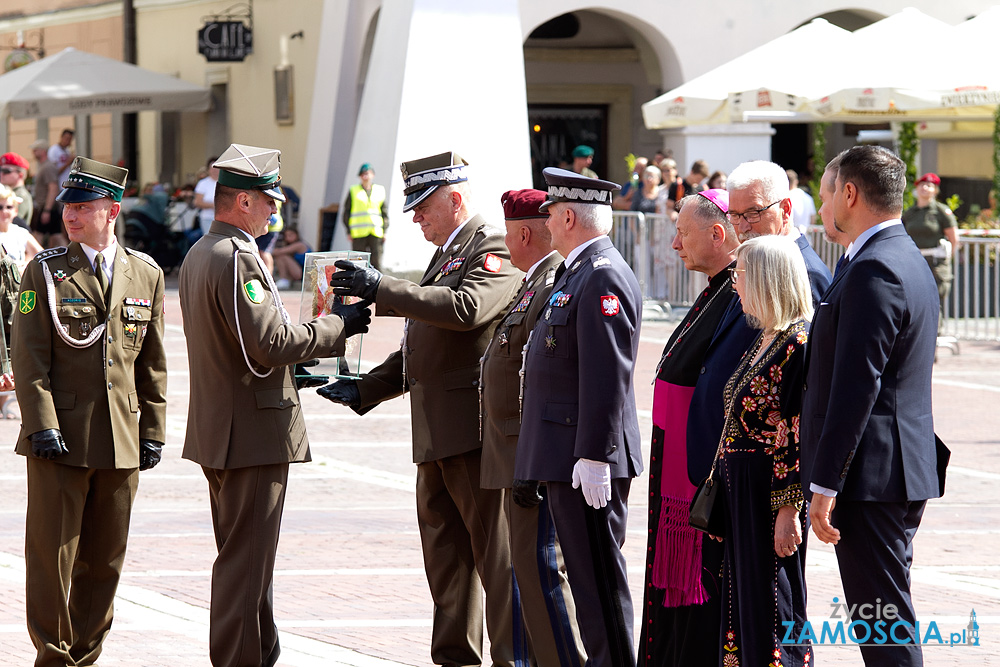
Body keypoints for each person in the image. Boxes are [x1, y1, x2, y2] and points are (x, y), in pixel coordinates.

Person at [317, 151, 521, 667]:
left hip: (473, 436)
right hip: (434, 435)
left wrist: (380, 287)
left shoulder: (490, 247)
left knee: (495, 562)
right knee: (446, 562)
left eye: (423, 206)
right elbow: (420, 346)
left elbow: (464, 310)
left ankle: (514, 659)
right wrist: (366, 388)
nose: (415, 217)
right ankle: (455, 658)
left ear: (455, 199)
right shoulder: (446, 253)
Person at [179, 143, 371, 667]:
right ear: (242, 202)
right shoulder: (237, 256)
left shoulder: (201, 252)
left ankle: (260, 655)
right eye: (269, 201)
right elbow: (267, 343)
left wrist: (292, 368)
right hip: (252, 435)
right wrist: (337, 328)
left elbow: (242, 348)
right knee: (245, 568)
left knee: (249, 564)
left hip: (225, 429)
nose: (274, 211)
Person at [11, 156, 167, 667]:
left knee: (105, 560)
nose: (70, 216)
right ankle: (53, 657)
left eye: (83, 207)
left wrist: (154, 431)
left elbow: (153, 363)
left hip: (120, 438)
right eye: (67, 207)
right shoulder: (46, 271)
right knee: (53, 559)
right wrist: (40, 424)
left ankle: (85, 655)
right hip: (60, 436)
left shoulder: (145, 274)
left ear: (112, 211)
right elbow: (29, 355)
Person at [804, 146, 944, 667]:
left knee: (883, 622)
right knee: (884, 615)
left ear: (850, 194)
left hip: (872, 475)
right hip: (895, 467)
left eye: (824, 197)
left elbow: (856, 386)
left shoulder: (875, 268)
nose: (821, 210)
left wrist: (825, 483)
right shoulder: (900, 255)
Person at [515, 168, 643, 667]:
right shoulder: (578, 270)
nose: (546, 221)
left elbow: (607, 375)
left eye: (550, 213)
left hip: (586, 459)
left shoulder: (602, 273)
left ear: (569, 215)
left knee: (599, 585)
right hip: (568, 455)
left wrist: (594, 454)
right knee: (589, 584)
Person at [482, 188, 586, 667]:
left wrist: (531, 457)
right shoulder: (533, 281)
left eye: (507, 236)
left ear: (524, 234)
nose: (504, 245)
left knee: (543, 569)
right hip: (516, 454)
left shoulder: (551, 284)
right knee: (525, 571)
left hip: (534, 456)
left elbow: (544, 381)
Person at [638, 190, 739, 666]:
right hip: (678, 479)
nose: (675, 245)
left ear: (717, 235)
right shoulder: (717, 287)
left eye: (682, 233)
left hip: (702, 486)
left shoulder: (740, 294)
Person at [718, 235, 813, 667]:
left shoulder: (797, 343)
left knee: (775, 605)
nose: (734, 284)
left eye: (740, 275)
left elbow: (793, 431)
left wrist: (788, 510)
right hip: (744, 491)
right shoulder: (766, 336)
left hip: (770, 493)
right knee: (746, 603)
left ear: (764, 279)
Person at [901, 172, 959, 326]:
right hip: (915, 262)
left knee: (934, 301)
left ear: (935, 190)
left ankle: (934, 339)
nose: (925, 188)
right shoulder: (910, 213)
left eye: (929, 185)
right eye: (922, 185)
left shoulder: (941, 211)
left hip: (935, 263)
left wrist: (945, 260)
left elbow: (954, 240)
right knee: (914, 300)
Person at [343, 162, 388, 270]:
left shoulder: (379, 190)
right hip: (358, 233)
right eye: (362, 174)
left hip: (376, 231)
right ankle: (359, 285)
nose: (365, 176)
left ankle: (378, 285)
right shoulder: (353, 190)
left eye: (367, 173)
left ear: (373, 175)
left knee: (376, 261)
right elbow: (346, 212)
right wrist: (348, 231)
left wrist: (385, 231)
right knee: (358, 262)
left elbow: (384, 212)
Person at [29, 139, 66, 248]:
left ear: (43, 151)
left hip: (48, 208)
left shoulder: (48, 167)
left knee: (38, 237)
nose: (33, 152)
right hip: (47, 207)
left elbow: (53, 188)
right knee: (56, 236)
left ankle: (33, 259)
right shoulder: (44, 166)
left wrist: (47, 210)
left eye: (36, 150)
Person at [0, 185, 43, 268]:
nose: (4, 211)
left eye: (9, 207)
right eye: (0, 207)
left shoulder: (20, 232)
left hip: (18, 279)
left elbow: (41, 256)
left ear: (15, 211)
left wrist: (26, 264)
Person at [1, 152, 33, 226]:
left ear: (20, 174)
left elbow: (12, 222)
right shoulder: (9, 192)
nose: (1, 174)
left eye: (6, 171)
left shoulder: (21, 195)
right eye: (1, 170)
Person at [193, 156, 220, 236]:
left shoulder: (225, 183)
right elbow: (198, 202)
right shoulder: (203, 183)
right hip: (207, 218)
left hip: (222, 219)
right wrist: (213, 205)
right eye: (212, 168)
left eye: (217, 168)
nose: (215, 171)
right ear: (208, 170)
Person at [787, 169, 817, 235]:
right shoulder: (808, 197)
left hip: (790, 238)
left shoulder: (785, 198)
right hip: (805, 238)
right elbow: (813, 219)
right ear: (796, 181)